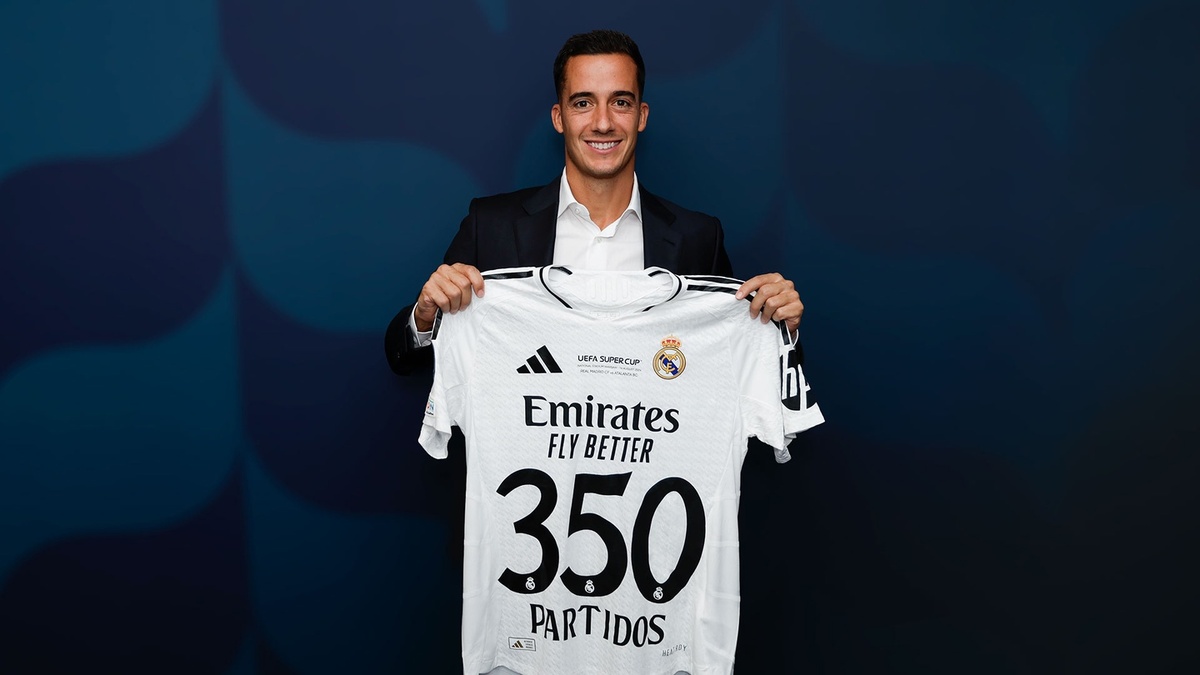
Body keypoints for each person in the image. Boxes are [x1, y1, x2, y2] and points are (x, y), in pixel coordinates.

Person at [384, 28, 804, 374]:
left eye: (620, 102)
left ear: (641, 116)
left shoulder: (698, 238)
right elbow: (408, 361)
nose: (603, 123)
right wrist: (424, 317)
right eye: (583, 103)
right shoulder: (491, 225)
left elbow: (737, 367)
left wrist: (779, 327)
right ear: (559, 117)